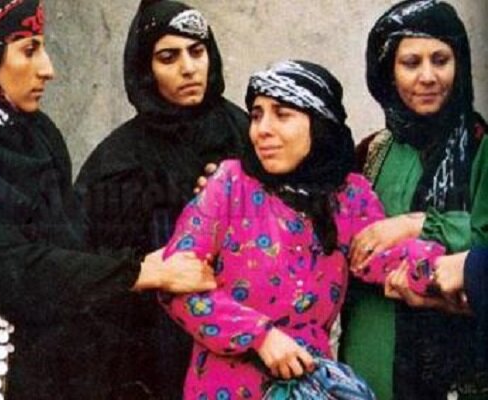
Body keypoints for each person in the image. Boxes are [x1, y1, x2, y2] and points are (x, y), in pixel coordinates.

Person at [0, 1, 216, 399]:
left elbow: (69, 240)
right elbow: (15, 268)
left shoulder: (35, 136)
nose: (48, 69)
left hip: (40, 363)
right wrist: (140, 272)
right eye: (29, 50)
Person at [158, 60, 444, 400]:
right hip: (224, 387)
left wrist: (451, 271)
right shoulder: (230, 185)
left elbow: (383, 257)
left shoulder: (348, 196)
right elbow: (176, 283)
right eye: (256, 115)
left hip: (308, 385)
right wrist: (260, 336)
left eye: (282, 114)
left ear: (319, 124)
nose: (262, 130)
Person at [74, 1, 248, 398]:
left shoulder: (245, 134)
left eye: (197, 51)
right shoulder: (118, 160)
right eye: (168, 57)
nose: (188, 68)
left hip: (243, 336)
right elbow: (88, 266)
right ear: (145, 70)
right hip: (151, 349)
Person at [341, 1, 488, 399]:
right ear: (387, 71)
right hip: (371, 345)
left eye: (440, 60)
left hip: (450, 357)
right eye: (410, 63)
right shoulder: (372, 151)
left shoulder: (479, 147)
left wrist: (419, 224)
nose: (427, 77)